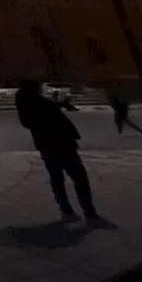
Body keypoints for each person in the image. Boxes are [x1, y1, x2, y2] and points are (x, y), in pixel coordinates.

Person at [16, 80, 100, 222]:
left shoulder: (27, 107)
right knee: (79, 178)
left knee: (56, 178)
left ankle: (65, 208)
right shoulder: (42, 105)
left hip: (45, 145)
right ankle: (88, 210)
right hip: (62, 145)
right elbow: (58, 120)